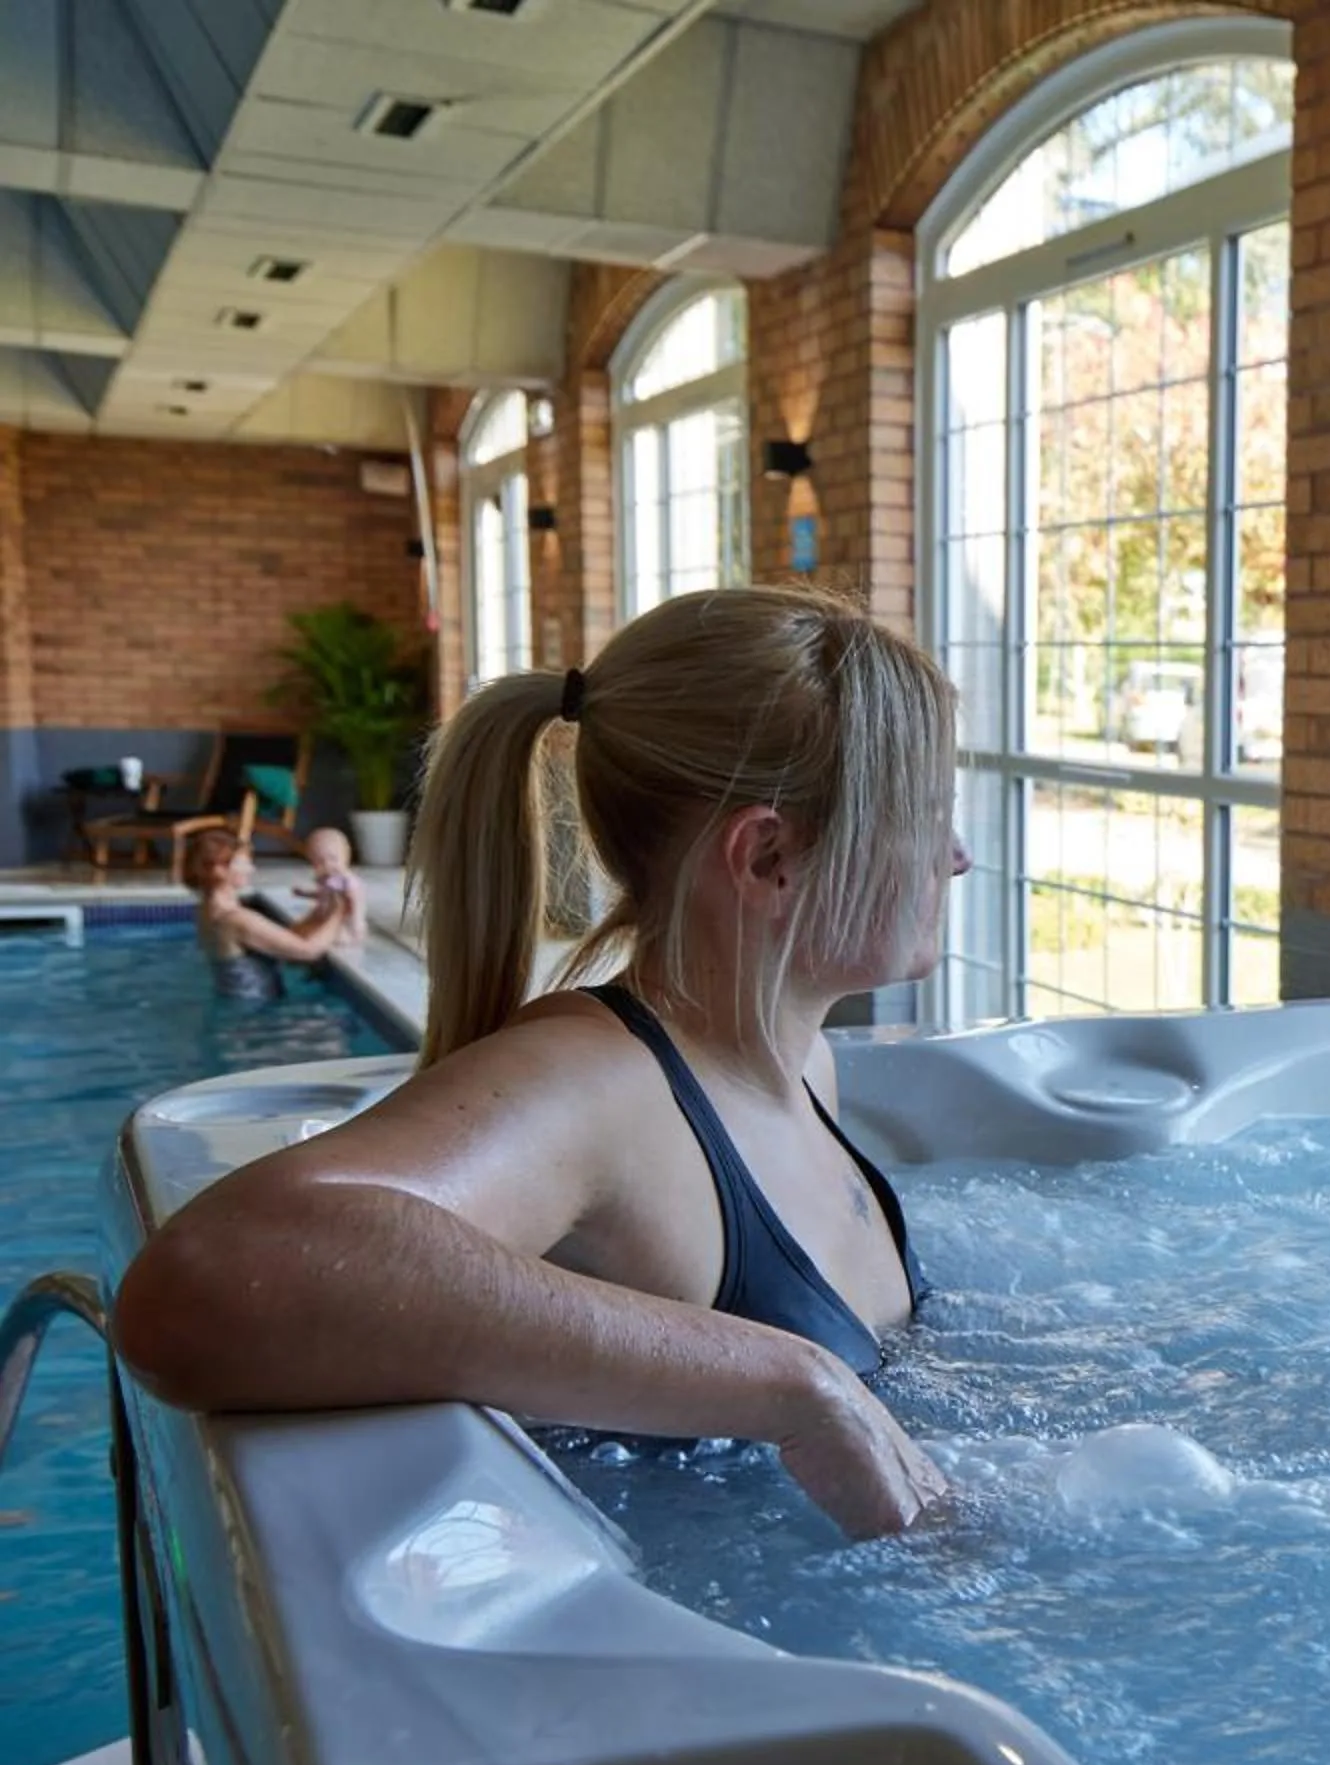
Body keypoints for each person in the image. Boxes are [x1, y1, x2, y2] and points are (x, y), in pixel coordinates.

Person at [116, 589, 966, 1538]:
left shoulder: (800, 1060)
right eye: (927, 817)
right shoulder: (602, 1086)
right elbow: (201, 1284)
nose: (959, 857)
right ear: (770, 856)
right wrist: (792, 1382)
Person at [183, 825, 348, 999]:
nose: (251, 869)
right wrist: (339, 912)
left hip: (239, 1006)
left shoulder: (206, 910)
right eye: (243, 863)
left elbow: (283, 939)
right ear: (219, 870)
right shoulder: (236, 919)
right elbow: (308, 952)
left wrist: (321, 912)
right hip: (256, 1014)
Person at [293, 826, 367, 949]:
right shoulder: (326, 880)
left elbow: (357, 900)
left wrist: (357, 921)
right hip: (327, 914)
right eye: (320, 862)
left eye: (333, 859)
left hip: (345, 920)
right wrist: (304, 894)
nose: (327, 865)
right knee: (308, 928)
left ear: (346, 857)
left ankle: (343, 938)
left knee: (340, 936)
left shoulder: (346, 881)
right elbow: (323, 894)